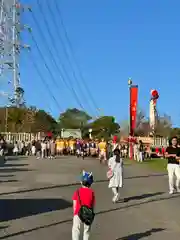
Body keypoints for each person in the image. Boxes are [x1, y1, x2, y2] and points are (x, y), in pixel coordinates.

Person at [72, 171, 95, 240]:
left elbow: (74, 205)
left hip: (78, 213)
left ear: (81, 182)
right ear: (90, 183)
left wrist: (75, 213)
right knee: (86, 231)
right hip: (88, 213)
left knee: (76, 229)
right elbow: (93, 205)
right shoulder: (92, 192)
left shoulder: (77, 191)